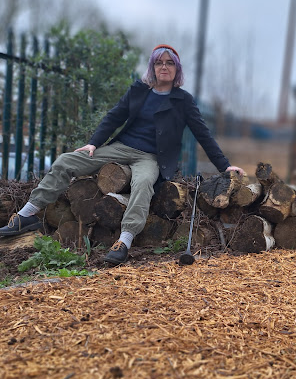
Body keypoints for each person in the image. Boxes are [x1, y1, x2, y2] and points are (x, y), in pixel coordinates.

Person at [0, 44, 246, 264]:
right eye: (159, 62)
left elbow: (203, 134)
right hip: (121, 147)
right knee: (66, 161)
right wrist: (93, 143)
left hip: (150, 156)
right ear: (152, 67)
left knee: (143, 182)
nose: (164, 67)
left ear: (177, 69)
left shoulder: (184, 101)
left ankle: (124, 241)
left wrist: (224, 166)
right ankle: (27, 214)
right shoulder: (139, 90)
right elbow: (114, 117)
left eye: (170, 63)